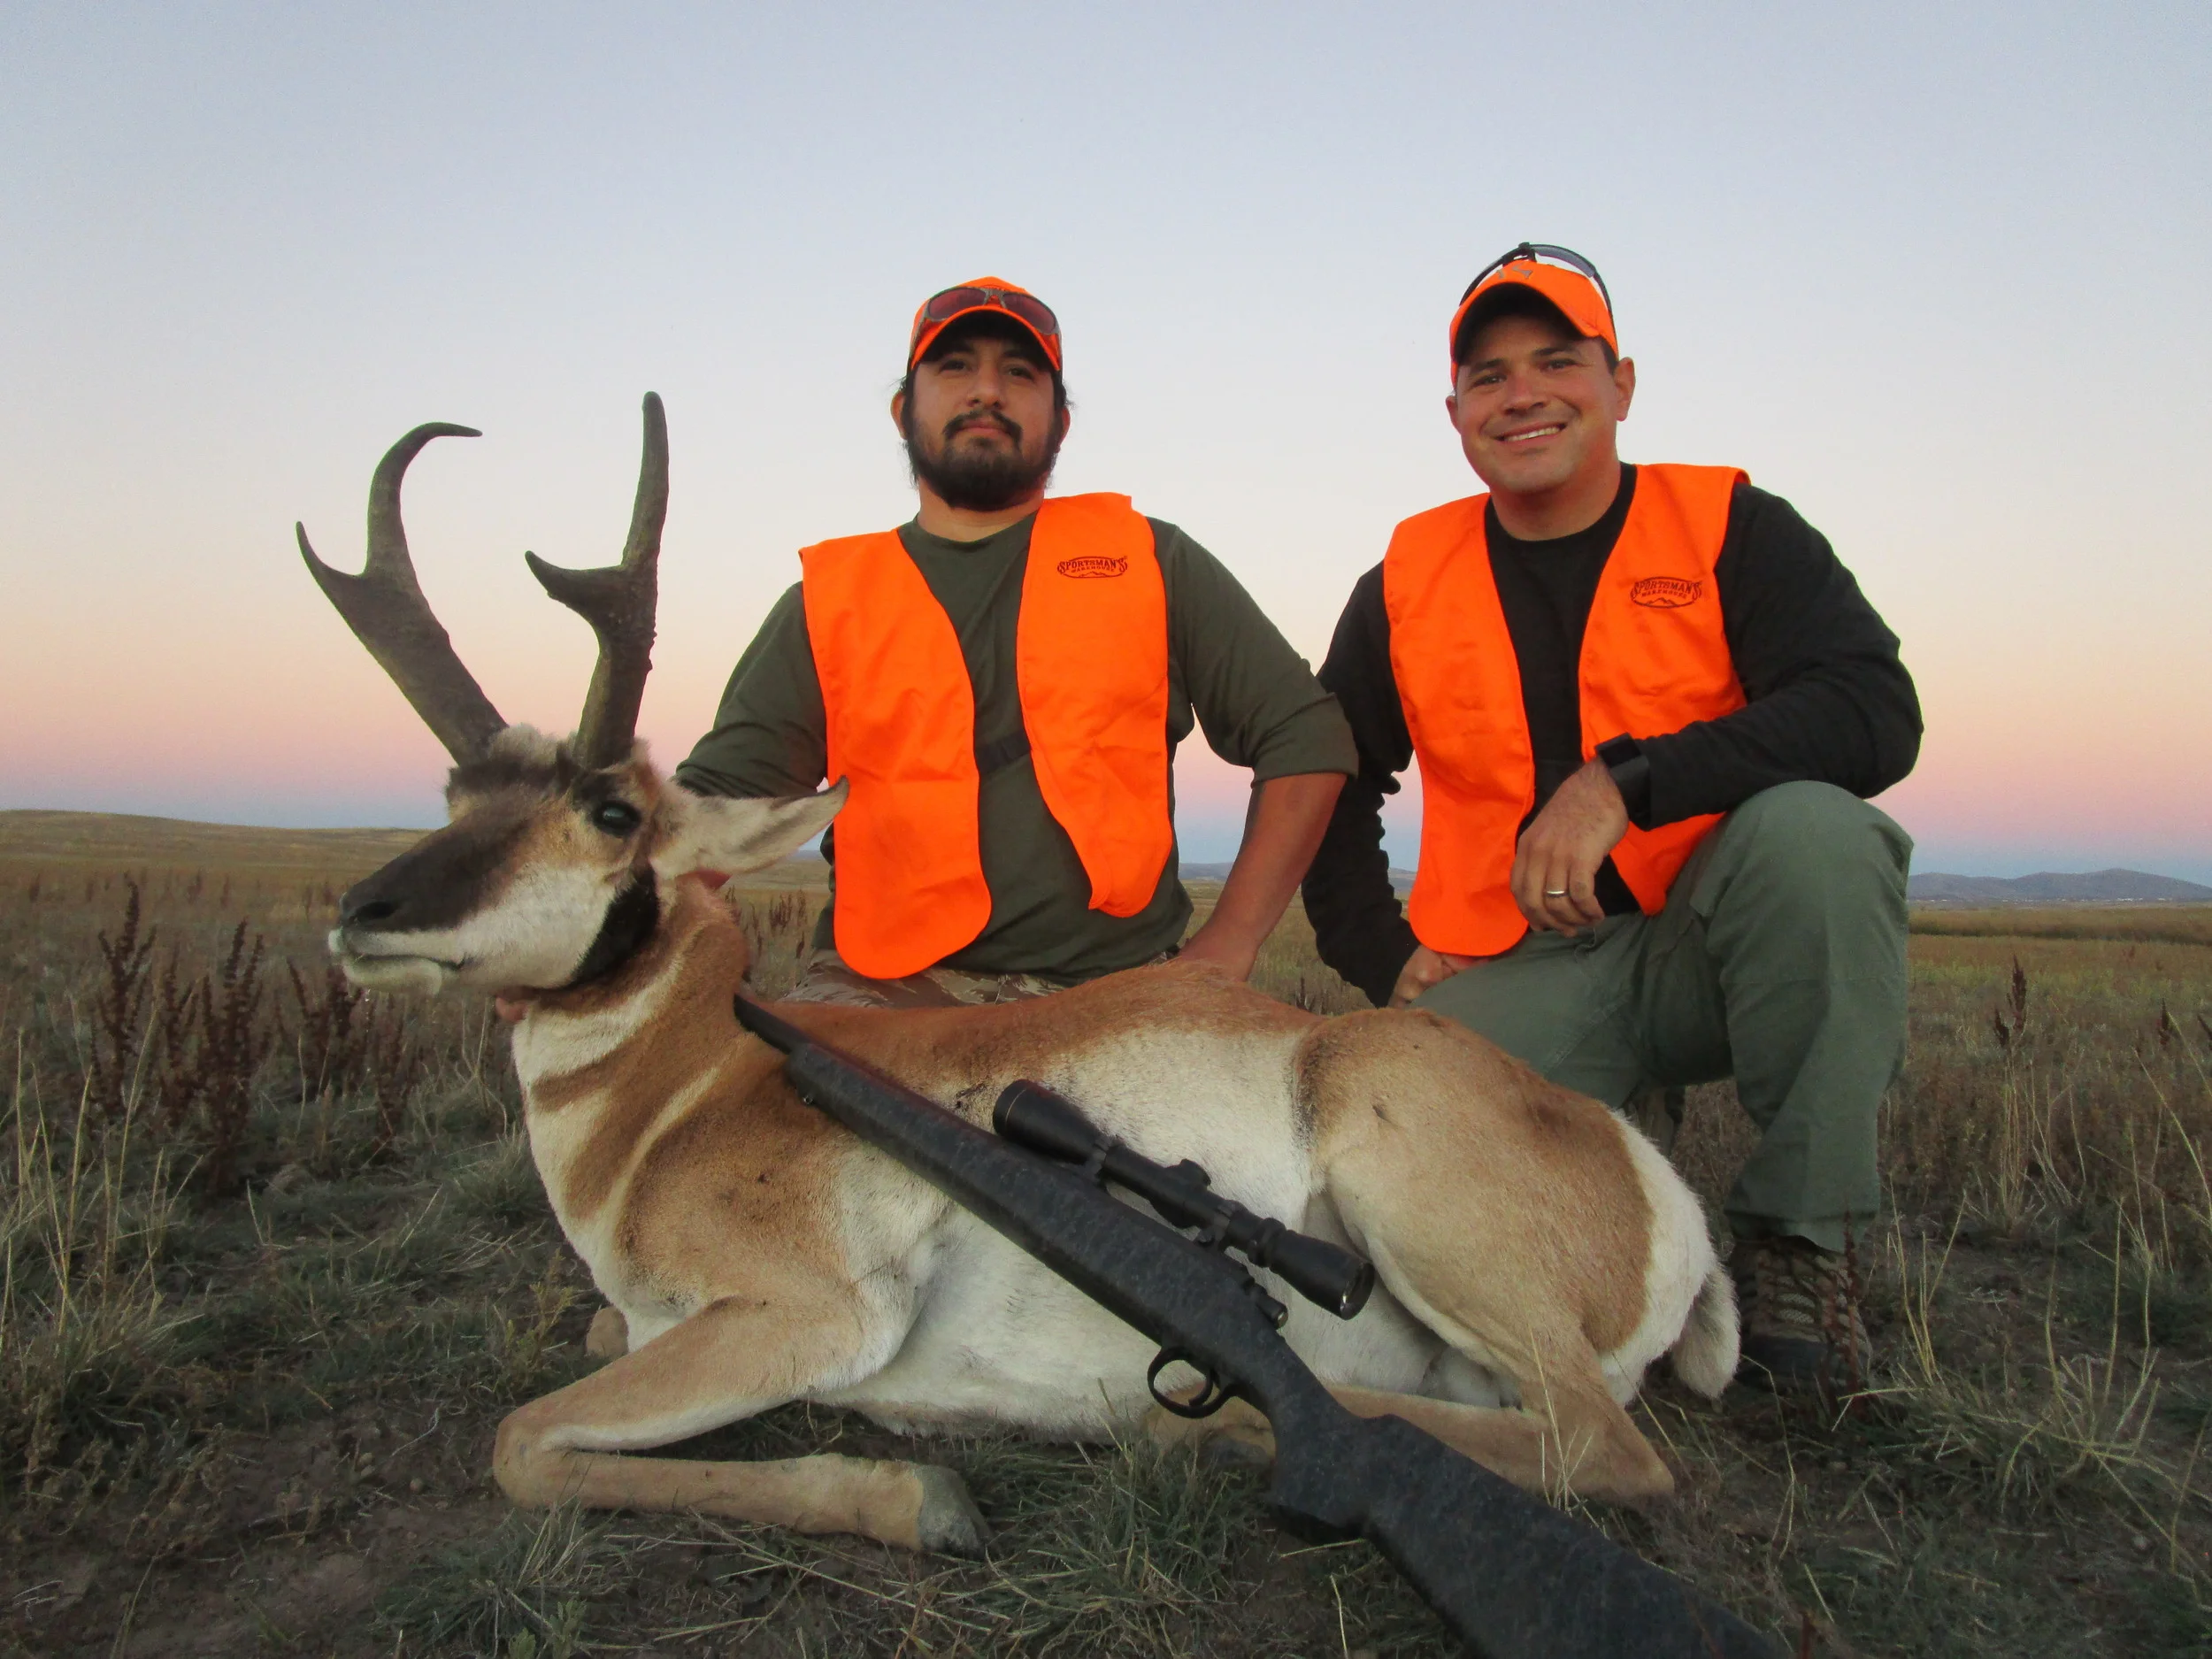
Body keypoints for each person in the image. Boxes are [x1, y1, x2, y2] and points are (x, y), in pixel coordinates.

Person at [1302, 244, 1922, 1392]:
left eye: (1556, 360)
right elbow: (1328, 774)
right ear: (1455, 411)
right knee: (1386, 1176)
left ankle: (1799, 1243)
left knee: (1822, 838)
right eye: (1488, 375)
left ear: (1620, 384)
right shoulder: (1408, 573)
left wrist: (1624, 782)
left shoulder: (1731, 525)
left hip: (1708, 951)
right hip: (1517, 970)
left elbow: (1874, 711)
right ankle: (1615, 1134)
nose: (1522, 392)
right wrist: (1378, 952)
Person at [679, 278, 1355, 1007]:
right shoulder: (826, 603)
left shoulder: (1153, 561)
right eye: (956, 366)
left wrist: (1228, 946)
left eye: (1019, 373)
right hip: (879, 993)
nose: (987, 391)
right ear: (904, 411)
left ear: (1060, 423)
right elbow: (707, 815)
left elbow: (1304, 733)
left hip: (1116, 995)